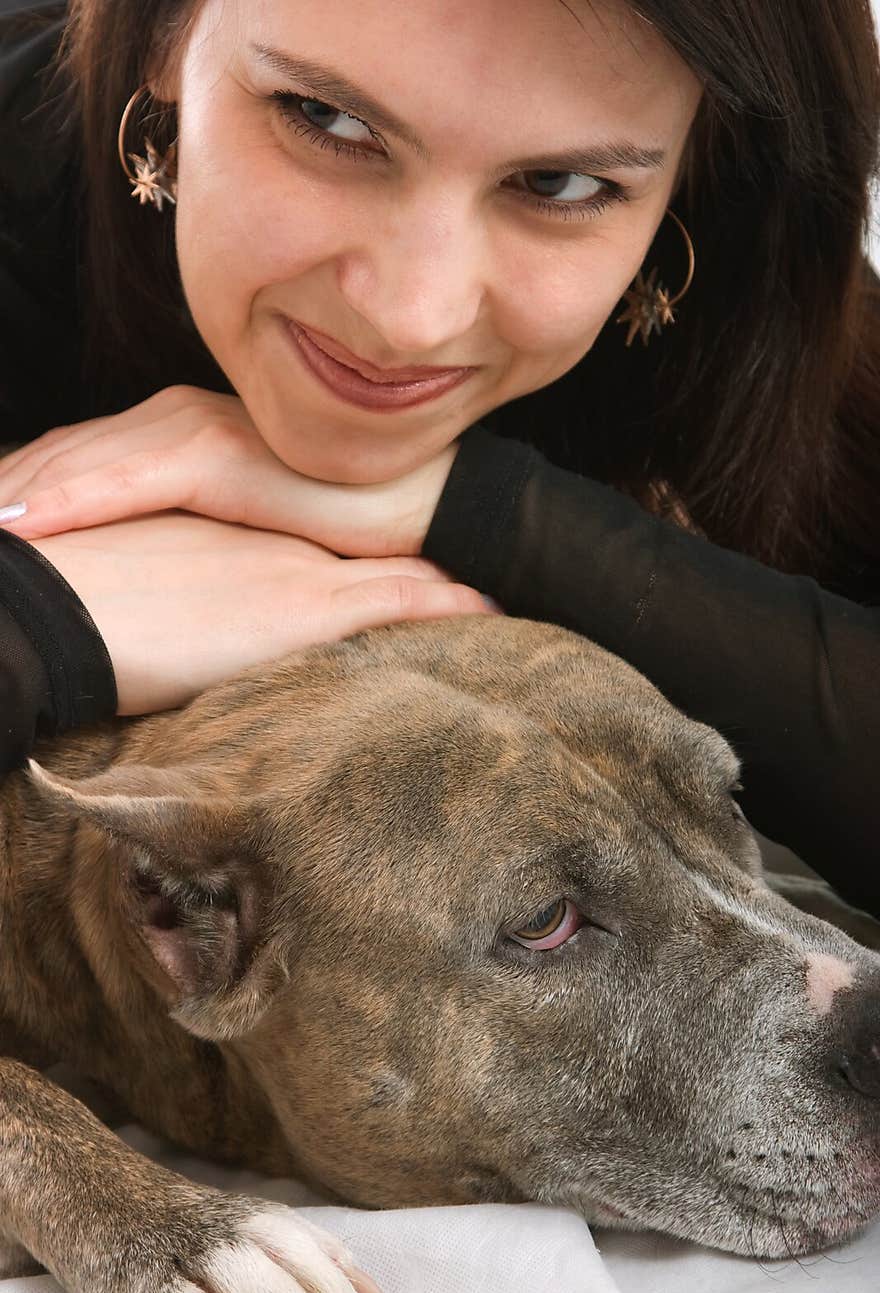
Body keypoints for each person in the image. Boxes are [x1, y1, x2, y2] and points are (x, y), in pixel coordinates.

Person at [1, 0, 878, 915]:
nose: (409, 316)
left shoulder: (766, 301)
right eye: (327, 120)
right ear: (161, 39)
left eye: (558, 184)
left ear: (695, 168)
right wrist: (37, 619)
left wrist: (488, 512)